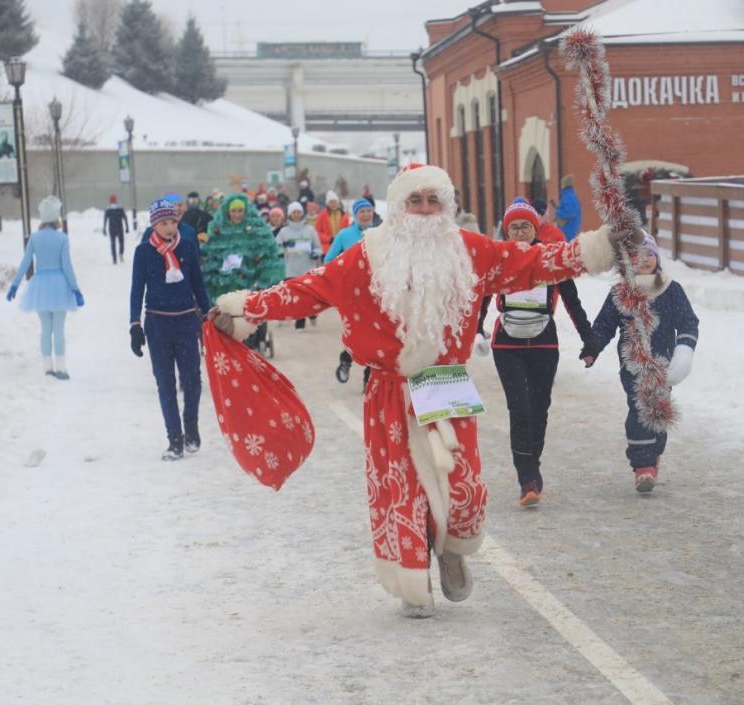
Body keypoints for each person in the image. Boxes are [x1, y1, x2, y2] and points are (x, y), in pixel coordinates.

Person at [209, 163, 620, 617]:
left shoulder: (470, 251)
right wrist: (245, 308)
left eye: (433, 201)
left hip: (444, 381)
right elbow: (308, 290)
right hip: (388, 388)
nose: (424, 210)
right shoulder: (365, 257)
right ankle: (412, 577)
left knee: (463, 483)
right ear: (399, 207)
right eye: (415, 200)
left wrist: (597, 249)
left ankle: (450, 548)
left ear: (446, 207)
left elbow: (532, 262)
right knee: (399, 485)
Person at [475, 199, 596, 507]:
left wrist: (589, 340)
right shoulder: (498, 259)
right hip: (507, 345)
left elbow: (572, 301)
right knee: (520, 408)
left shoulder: (549, 259)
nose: (519, 232)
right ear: (507, 230)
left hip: (544, 342)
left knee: (539, 407)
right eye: (513, 227)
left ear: (534, 228)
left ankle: (533, 462)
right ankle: (526, 477)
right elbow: (482, 298)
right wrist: (476, 330)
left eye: (525, 226)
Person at [582, 235, 699, 493]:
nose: (644, 259)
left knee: (658, 411)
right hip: (632, 365)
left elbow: (689, 323)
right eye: (637, 255)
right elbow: (604, 326)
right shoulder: (620, 293)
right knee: (638, 408)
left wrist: (684, 352)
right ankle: (643, 465)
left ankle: (653, 454)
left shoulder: (671, 289)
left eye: (650, 254)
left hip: (664, 367)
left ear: (657, 257)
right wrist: (592, 348)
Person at [129, 198, 211, 461]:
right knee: (165, 384)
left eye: (173, 222)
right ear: (154, 224)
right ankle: (174, 440)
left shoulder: (187, 246)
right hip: (158, 324)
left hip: (186, 321)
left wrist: (208, 316)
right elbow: (136, 290)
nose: (169, 227)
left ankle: (191, 427)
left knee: (193, 381)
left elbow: (198, 284)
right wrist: (135, 325)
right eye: (164, 222)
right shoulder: (143, 252)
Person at [6, 196, 85, 380]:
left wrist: (14, 285)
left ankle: (47, 367)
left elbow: (25, 263)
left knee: (45, 328)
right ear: (56, 217)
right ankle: (61, 368)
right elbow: (67, 266)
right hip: (59, 286)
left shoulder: (34, 238)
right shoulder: (62, 238)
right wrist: (75, 289)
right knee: (58, 329)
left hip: (40, 286)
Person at [324, 197, 376, 387]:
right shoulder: (345, 235)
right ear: (355, 215)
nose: (366, 214)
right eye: (362, 211)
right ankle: (346, 359)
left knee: (376, 335)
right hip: (354, 294)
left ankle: (369, 378)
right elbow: (329, 260)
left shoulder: (380, 233)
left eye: (369, 211)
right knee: (359, 333)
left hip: (378, 293)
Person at [199, 193, 284, 303]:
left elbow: (268, 256)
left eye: (240, 211)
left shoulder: (256, 230)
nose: (237, 214)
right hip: (225, 284)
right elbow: (210, 256)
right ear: (227, 212)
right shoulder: (219, 231)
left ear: (246, 211)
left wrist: (263, 279)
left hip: (250, 281)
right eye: (233, 211)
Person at [276, 202, 321, 330]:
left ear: (302, 213)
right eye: (294, 212)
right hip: (291, 269)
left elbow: (318, 248)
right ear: (289, 214)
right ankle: (300, 322)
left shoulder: (310, 229)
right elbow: (276, 248)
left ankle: (312, 314)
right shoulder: (284, 232)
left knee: (309, 296)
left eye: (298, 212)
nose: (296, 215)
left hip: (307, 268)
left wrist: (315, 253)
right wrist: (285, 247)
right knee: (296, 296)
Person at [553, 174, 583, 242]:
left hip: (568, 231)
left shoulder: (568, 197)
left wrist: (557, 212)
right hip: (571, 229)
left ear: (564, 185)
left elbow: (569, 213)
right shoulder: (570, 196)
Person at [103, 193, 129, 264]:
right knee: (121, 242)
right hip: (119, 228)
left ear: (110, 200)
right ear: (116, 200)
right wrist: (127, 227)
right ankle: (121, 253)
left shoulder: (108, 209)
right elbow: (125, 218)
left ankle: (114, 259)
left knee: (113, 243)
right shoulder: (120, 208)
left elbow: (105, 220)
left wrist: (104, 229)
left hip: (112, 228)